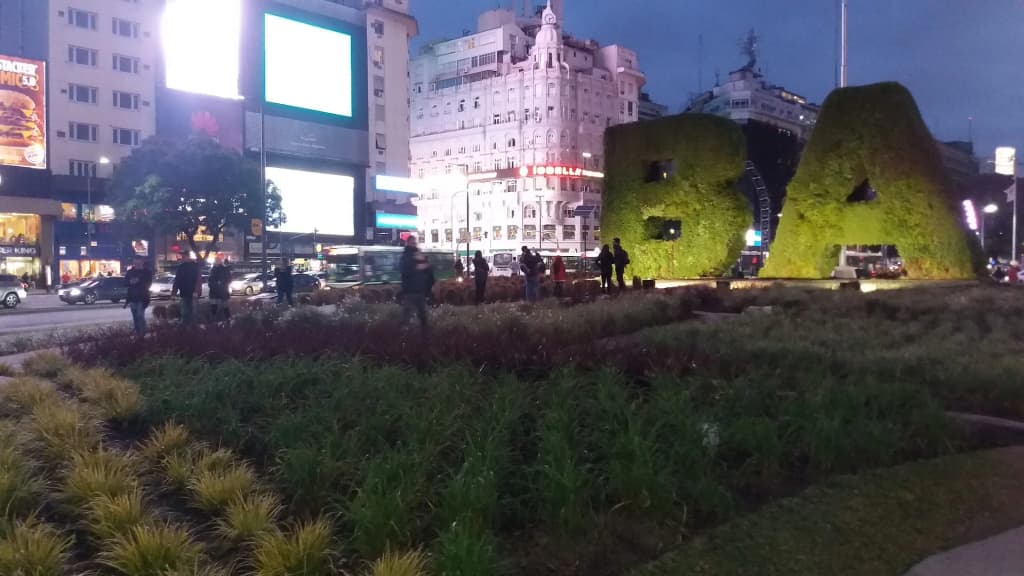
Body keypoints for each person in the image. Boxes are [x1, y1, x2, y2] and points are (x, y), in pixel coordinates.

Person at [400, 236, 433, 332]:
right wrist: (418, 266)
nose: (414, 245)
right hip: (409, 292)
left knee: (423, 318)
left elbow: (428, 270)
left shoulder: (419, 255)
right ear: (408, 243)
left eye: (415, 243)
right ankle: (403, 339)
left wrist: (424, 262)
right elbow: (405, 271)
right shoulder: (405, 256)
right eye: (412, 243)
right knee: (406, 318)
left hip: (420, 292)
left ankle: (425, 337)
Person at [124, 258, 154, 336]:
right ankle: (138, 333)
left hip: (142, 297)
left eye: (138, 261)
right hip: (132, 297)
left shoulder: (147, 272)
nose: (136, 263)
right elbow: (125, 282)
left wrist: (138, 282)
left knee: (140, 315)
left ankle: (142, 333)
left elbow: (148, 283)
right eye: (135, 261)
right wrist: (130, 282)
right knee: (135, 317)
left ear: (142, 262)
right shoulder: (130, 272)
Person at [172, 255, 200, 325]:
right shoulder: (182, 267)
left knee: (190, 313)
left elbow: (198, 280)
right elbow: (177, 280)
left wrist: (196, 291)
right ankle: (188, 328)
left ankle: (190, 328)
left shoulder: (193, 267)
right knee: (187, 313)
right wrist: (174, 293)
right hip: (187, 293)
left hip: (190, 293)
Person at [208, 257, 232, 321]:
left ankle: (228, 320)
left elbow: (229, 279)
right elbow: (210, 280)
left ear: (220, 261)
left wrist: (222, 284)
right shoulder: (212, 269)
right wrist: (211, 284)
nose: (216, 262)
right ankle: (215, 321)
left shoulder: (224, 269)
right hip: (215, 291)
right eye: (215, 260)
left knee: (224, 307)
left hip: (221, 291)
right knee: (215, 307)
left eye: (217, 260)